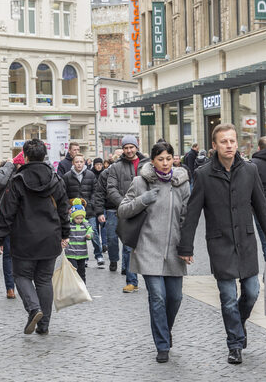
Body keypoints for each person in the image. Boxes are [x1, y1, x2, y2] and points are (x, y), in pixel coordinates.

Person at [177, 123, 266, 365]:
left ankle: (239, 325)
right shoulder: (203, 174)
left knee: (252, 292)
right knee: (227, 297)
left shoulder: (250, 170)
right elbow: (192, 213)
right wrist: (186, 247)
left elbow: (261, 206)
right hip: (220, 243)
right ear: (214, 146)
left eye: (232, 141)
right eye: (224, 141)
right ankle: (234, 344)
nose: (229, 145)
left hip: (245, 241)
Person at [118, 141, 190, 364]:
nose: (166, 163)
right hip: (148, 247)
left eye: (169, 158)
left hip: (174, 249)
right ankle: (162, 345)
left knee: (175, 298)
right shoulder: (141, 182)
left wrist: (186, 246)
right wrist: (142, 200)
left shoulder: (182, 183)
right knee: (157, 296)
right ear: (153, 160)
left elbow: (187, 217)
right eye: (161, 159)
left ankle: (164, 330)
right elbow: (123, 210)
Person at [0, 139, 70, 336]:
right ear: (44, 156)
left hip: (24, 237)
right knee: (44, 280)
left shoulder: (18, 181)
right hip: (50, 237)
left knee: (21, 275)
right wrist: (65, 233)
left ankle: (34, 308)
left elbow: (7, 211)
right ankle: (44, 325)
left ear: (25, 157)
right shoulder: (55, 179)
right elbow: (63, 209)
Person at [107, 136, 150, 292]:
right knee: (128, 246)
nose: (129, 150)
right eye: (126, 148)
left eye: (131, 147)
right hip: (127, 212)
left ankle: (152, 279)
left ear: (137, 147)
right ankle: (132, 281)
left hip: (146, 209)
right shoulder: (116, 167)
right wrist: (124, 204)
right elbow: (111, 189)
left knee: (149, 245)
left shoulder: (147, 164)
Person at [0, 152, 25, 299]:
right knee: (8, 254)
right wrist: (9, 164)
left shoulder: (28, 173)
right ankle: (10, 287)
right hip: (7, 217)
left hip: (25, 219)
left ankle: (24, 284)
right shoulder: (9, 172)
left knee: (24, 254)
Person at [62, 153, 102, 267]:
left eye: (81, 161)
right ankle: (83, 257)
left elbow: (95, 191)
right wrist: (68, 207)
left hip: (89, 210)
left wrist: (91, 203)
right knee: (77, 235)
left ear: (84, 162)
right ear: (73, 163)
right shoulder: (67, 176)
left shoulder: (90, 175)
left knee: (93, 231)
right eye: (77, 162)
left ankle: (98, 255)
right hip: (74, 212)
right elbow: (64, 194)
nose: (79, 164)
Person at [66, 198, 93, 283]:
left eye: (81, 218)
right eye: (77, 218)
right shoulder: (68, 224)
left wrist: (89, 235)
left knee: (82, 272)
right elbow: (63, 231)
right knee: (73, 272)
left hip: (82, 254)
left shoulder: (85, 224)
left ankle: (82, 287)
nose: (79, 220)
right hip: (71, 253)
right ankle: (73, 287)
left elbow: (91, 230)